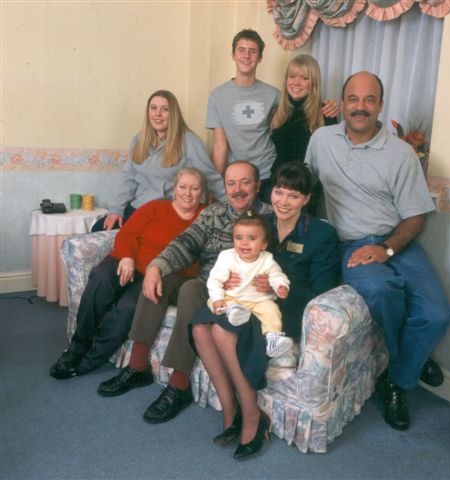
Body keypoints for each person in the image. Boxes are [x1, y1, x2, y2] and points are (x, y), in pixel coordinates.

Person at [304, 71, 450, 431]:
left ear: (380, 105)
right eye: (353, 99)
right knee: (383, 291)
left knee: (437, 314)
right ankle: (406, 375)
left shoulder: (401, 153)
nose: (360, 107)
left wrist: (385, 249)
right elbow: (304, 189)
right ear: (343, 103)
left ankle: (400, 371)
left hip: (396, 240)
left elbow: (415, 215)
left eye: (369, 100)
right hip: (350, 243)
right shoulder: (321, 140)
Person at [96, 161, 272, 426]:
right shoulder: (214, 213)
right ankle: (137, 367)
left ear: (257, 185)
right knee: (162, 277)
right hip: (207, 284)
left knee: (190, 288)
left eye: (245, 182)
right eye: (231, 183)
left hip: (234, 295)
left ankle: (179, 386)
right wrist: (156, 266)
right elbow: (186, 243)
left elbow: (277, 264)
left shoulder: (269, 218)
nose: (237, 189)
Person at [191, 161, 339, 460]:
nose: (284, 202)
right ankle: (229, 408)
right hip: (243, 303)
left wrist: (275, 290)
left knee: (221, 330)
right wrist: (234, 277)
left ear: (307, 199)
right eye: (280, 193)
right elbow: (233, 257)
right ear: (271, 192)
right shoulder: (260, 224)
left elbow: (322, 292)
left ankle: (252, 416)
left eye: (294, 196)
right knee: (199, 327)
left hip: (282, 311)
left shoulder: (321, 235)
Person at [49, 168, 207, 379]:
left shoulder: (206, 217)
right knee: (101, 278)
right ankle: (78, 347)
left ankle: (93, 358)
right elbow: (128, 233)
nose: (188, 193)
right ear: (174, 190)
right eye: (183, 187)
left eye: (194, 188)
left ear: (202, 192)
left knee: (128, 307)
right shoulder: (155, 208)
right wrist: (126, 257)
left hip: (160, 275)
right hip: (127, 261)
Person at [92, 90, 225, 231]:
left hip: (165, 212)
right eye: (153, 108)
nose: (157, 114)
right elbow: (128, 178)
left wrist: (236, 209)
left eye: (165, 109)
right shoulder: (138, 140)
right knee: (98, 229)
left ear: (173, 114)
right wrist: (115, 210)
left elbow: (211, 179)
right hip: (138, 208)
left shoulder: (191, 142)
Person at [207, 214, 292, 358]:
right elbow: (215, 280)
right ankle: (232, 312)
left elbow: (277, 276)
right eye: (239, 238)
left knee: (272, 310)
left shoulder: (267, 259)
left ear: (264, 245)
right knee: (213, 301)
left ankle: (272, 339)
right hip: (233, 298)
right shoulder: (227, 256)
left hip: (259, 300)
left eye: (252, 238)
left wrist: (281, 286)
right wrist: (217, 298)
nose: (244, 243)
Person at [206, 29, 279, 197]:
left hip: (267, 175)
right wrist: (215, 186)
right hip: (236, 178)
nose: (246, 56)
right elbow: (219, 145)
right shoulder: (218, 95)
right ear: (233, 55)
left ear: (260, 58)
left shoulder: (274, 95)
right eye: (241, 50)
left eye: (252, 51)